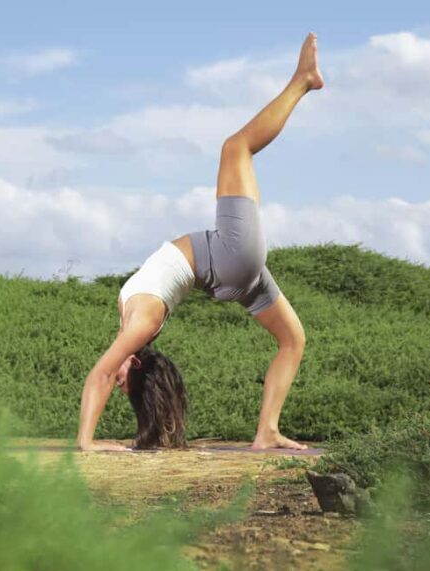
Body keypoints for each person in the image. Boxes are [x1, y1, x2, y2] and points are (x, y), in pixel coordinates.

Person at [77, 32, 324, 452]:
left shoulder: (134, 320)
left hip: (230, 271)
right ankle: (303, 81)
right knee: (236, 148)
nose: (115, 380)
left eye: (119, 385)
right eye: (124, 381)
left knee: (292, 340)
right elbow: (99, 375)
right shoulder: (142, 322)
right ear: (133, 362)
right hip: (227, 256)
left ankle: (267, 431)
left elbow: (107, 372)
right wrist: (86, 443)